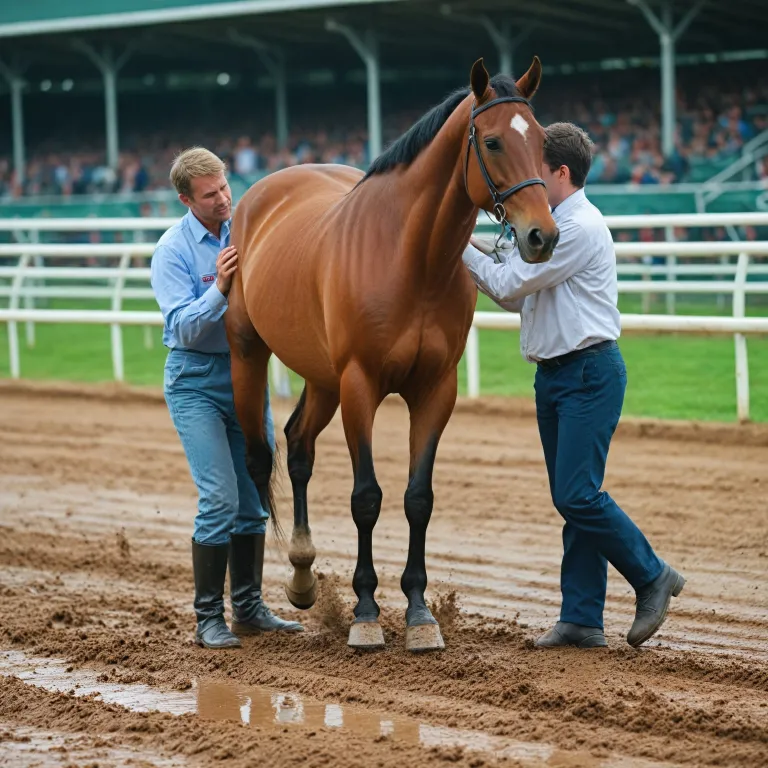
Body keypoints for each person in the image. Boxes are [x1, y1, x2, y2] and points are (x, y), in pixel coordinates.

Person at [462, 123, 685, 649]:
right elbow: (517, 295)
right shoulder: (554, 223)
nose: (528, 179)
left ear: (560, 173)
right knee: (573, 498)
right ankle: (582, 619)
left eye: (536, 169)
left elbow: (508, 284)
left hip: (587, 375)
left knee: (578, 494)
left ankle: (653, 575)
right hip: (560, 376)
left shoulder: (577, 227)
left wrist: (456, 244)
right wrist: (475, 247)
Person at [150, 147, 302, 649]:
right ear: (185, 199)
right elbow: (181, 328)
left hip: (246, 375)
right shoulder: (172, 250)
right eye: (210, 194)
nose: (223, 199)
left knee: (253, 499)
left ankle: (250, 608)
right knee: (218, 497)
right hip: (194, 381)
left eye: (224, 187)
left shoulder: (247, 229)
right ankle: (208, 618)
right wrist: (219, 288)